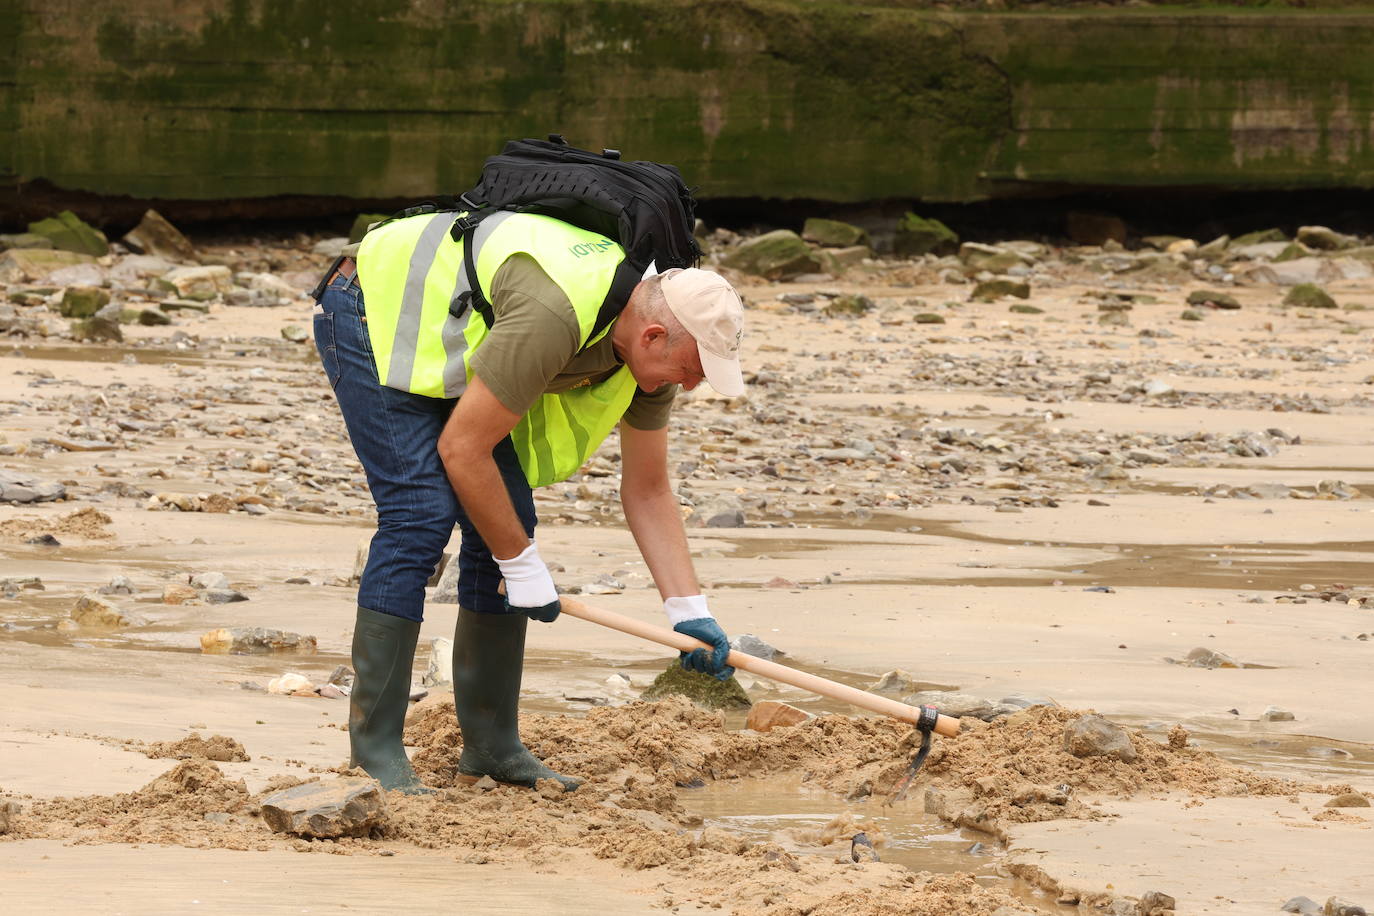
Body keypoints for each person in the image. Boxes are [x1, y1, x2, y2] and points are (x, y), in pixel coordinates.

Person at [311, 207, 744, 794]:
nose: (690, 385)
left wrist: (688, 609)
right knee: (419, 515)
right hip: (374, 307)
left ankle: (491, 746)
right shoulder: (556, 314)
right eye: (692, 370)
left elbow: (648, 488)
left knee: (507, 525)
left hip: (465, 331)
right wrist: (521, 567)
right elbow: (463, 450)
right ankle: (376, 752)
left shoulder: (649, 360)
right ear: (653, 336)